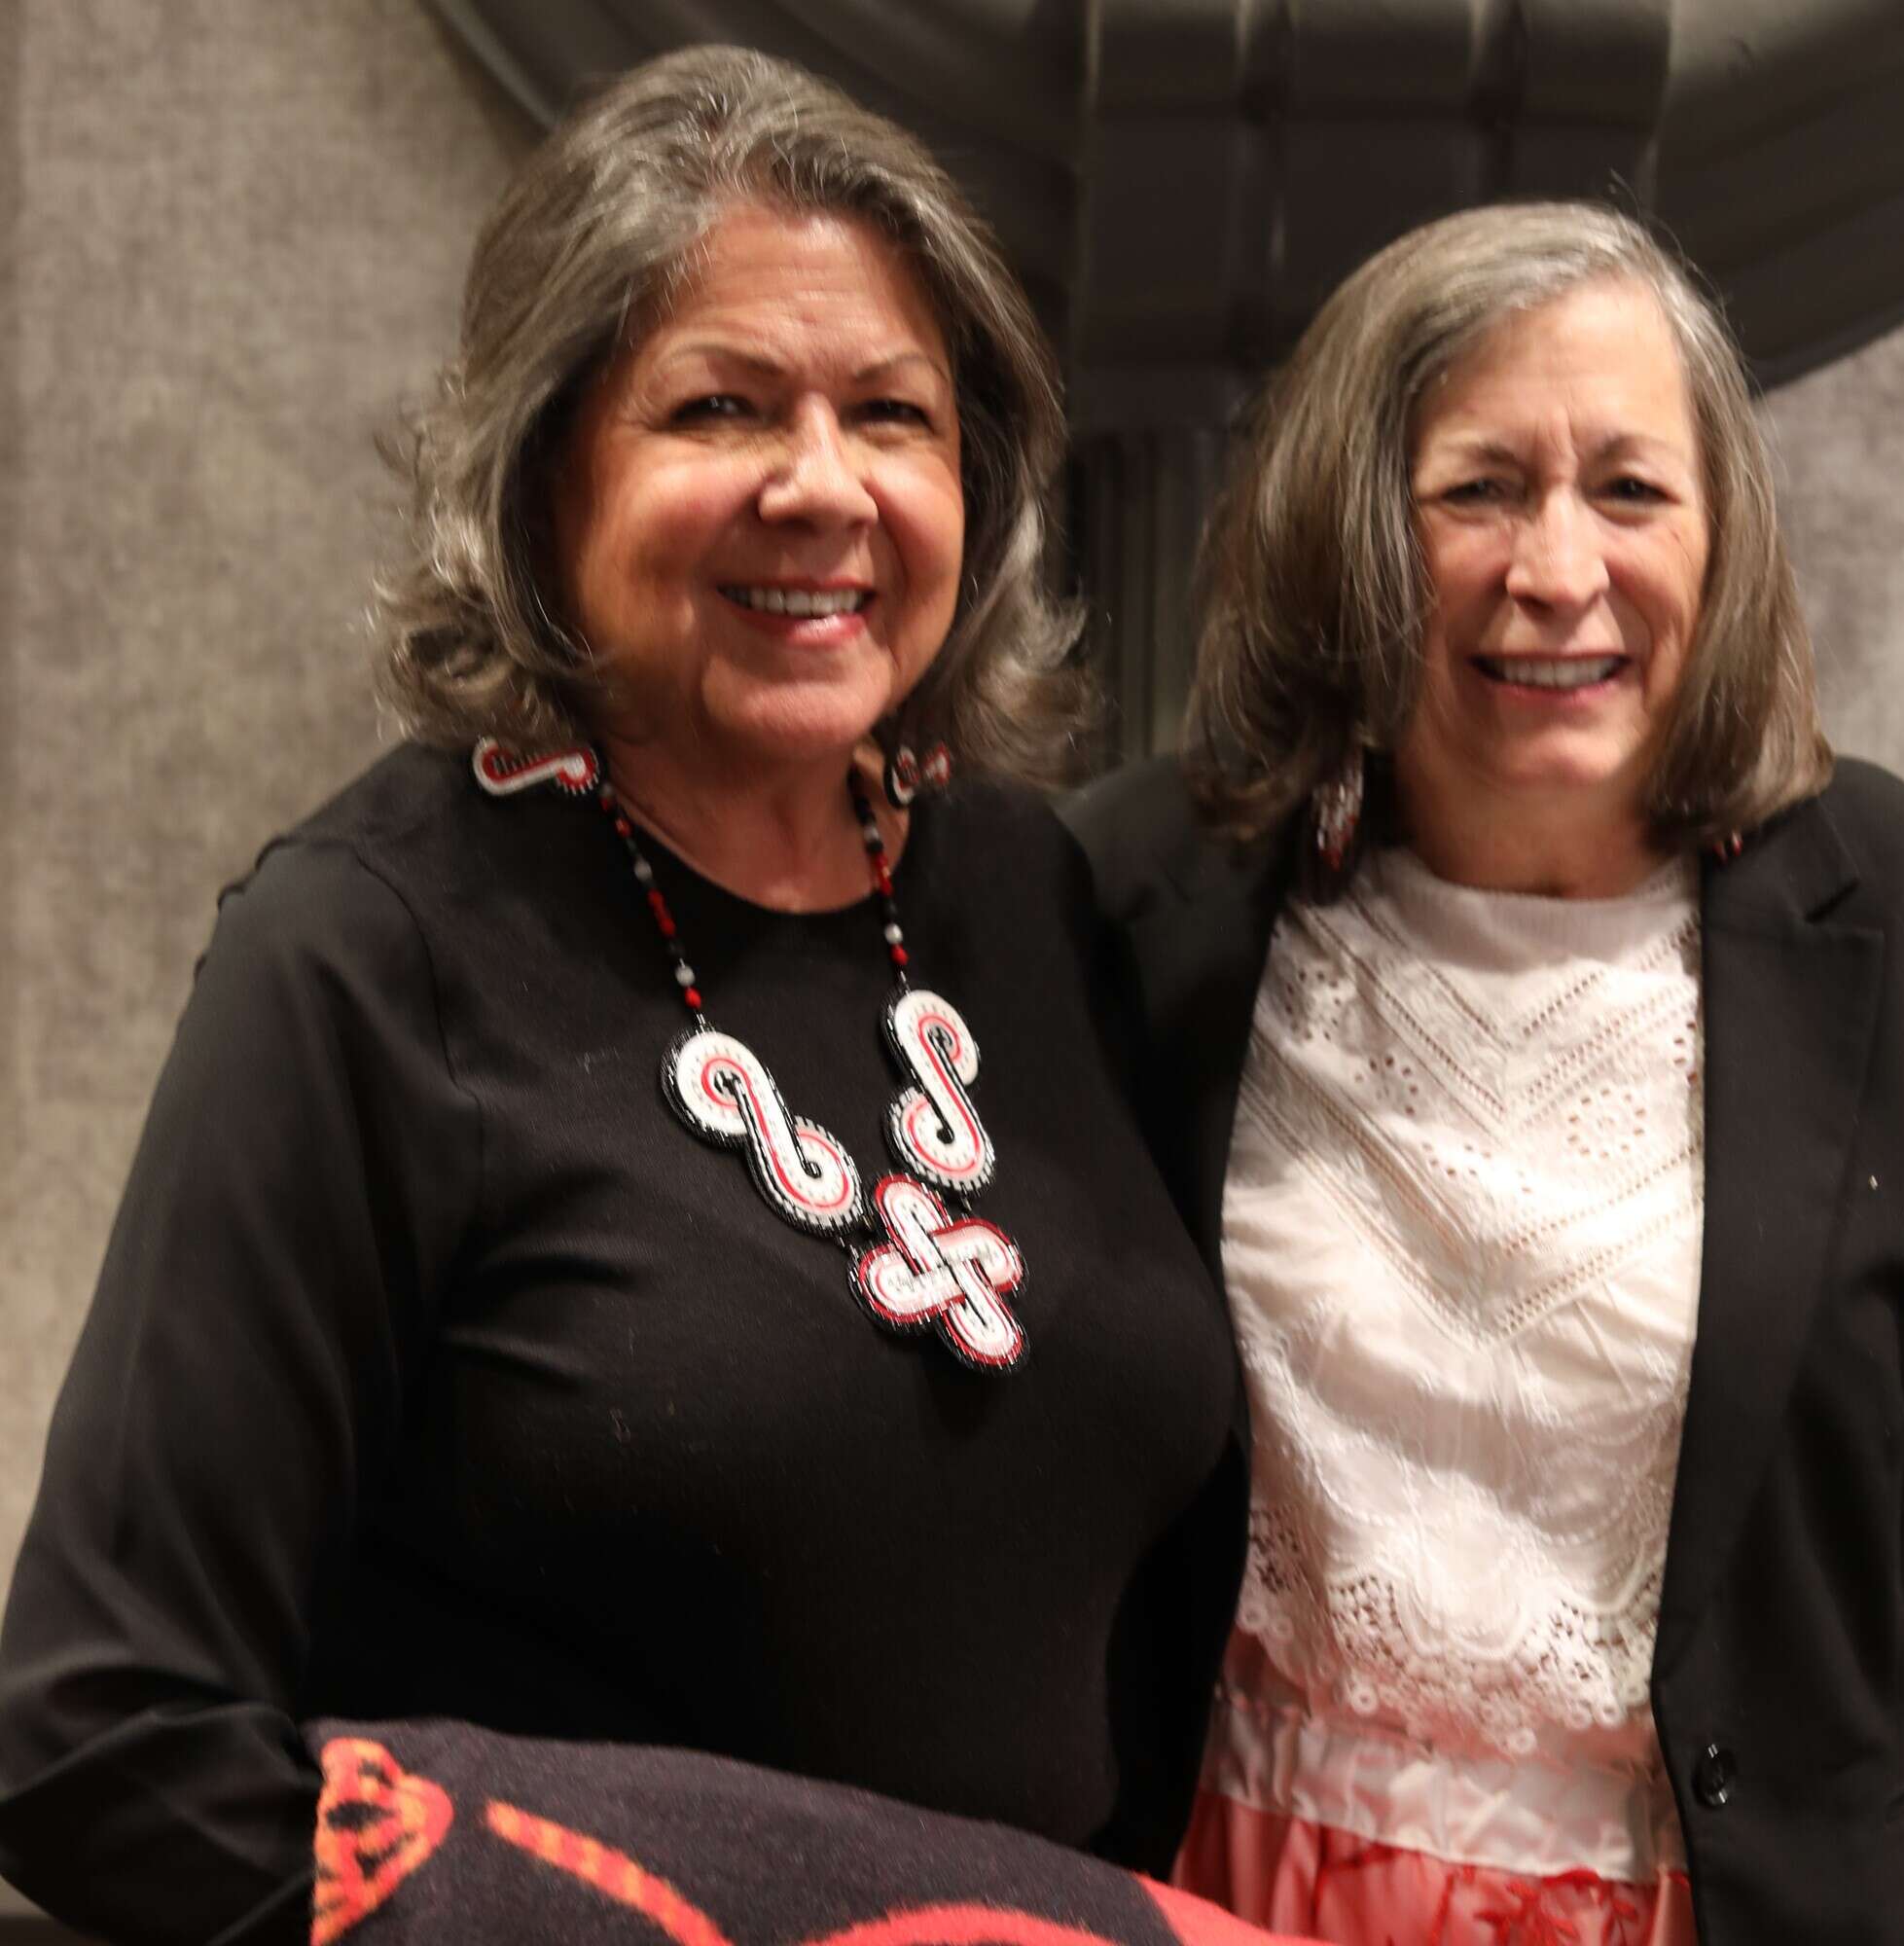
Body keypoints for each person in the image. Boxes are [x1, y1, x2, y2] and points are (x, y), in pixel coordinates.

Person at [0, 47, 1251, 1946]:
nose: (820, 485)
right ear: (544, 470)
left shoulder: (1029, 886)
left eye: (892, 414)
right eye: (718, 406)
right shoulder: (367, 953)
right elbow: (94, 1742)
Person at [1066, 202, 1904, 1946]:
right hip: (1243, 1899)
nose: (1558, 569)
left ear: (1722, 535)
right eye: (1480, 488)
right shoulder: (1138, 904)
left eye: (1630, 489)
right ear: (1352, 531)